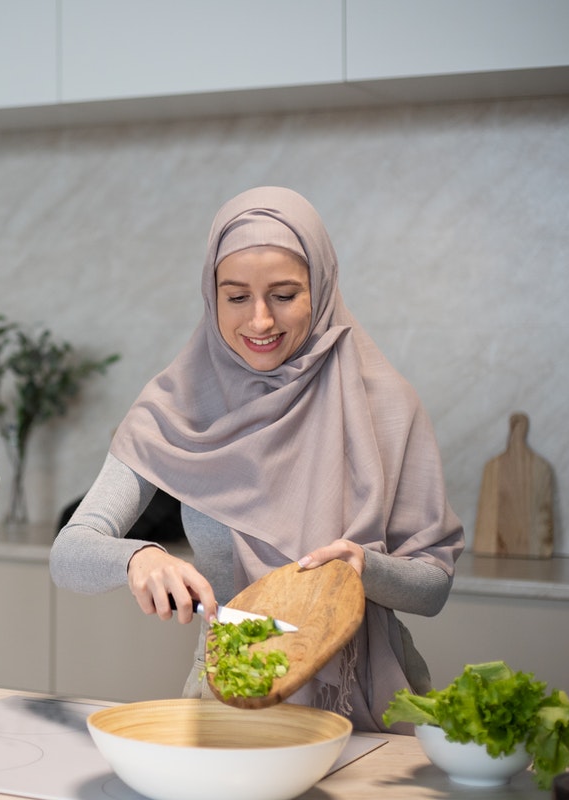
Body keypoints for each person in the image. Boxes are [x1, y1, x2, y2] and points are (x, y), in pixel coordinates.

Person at [49, 186, 464, 732]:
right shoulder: (174, 406)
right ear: (211, 295)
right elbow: (69, 553)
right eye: (237, 296)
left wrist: (363, 569)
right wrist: (137, 558)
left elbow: (432, 588)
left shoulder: (385, 403)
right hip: (228, 700)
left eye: (285, 295)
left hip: (369, 699)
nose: (260, 321)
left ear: (322, 286)